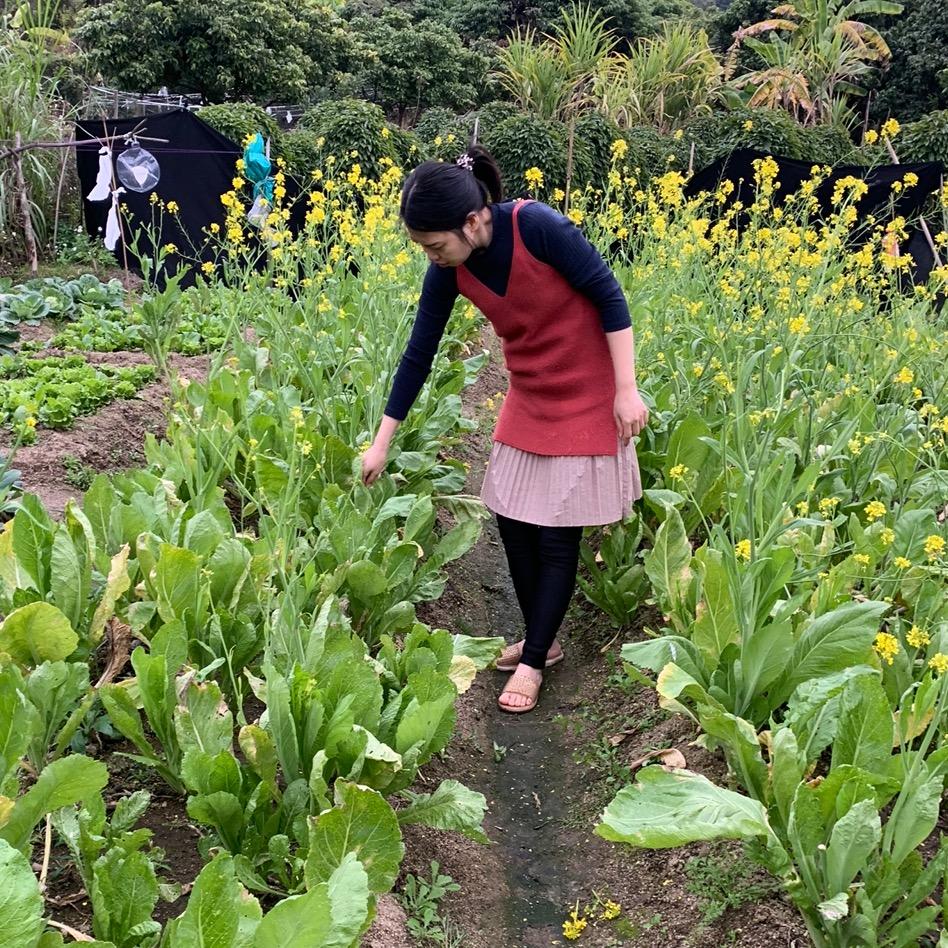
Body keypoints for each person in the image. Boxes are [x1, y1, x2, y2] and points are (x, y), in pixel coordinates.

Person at [361, 145, 648, 714]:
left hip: (588, 389)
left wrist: (625, 388)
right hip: (529, 390)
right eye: (423, 248)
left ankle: (535, 659)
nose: (432, 256)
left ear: (471, 221)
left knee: (557, 530)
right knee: (512, 520)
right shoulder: (451, 267)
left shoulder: (536, 226)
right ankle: (543, 639)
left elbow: (608, 295)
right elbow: (419, 353)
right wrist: (381, 442)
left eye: (435, 245)